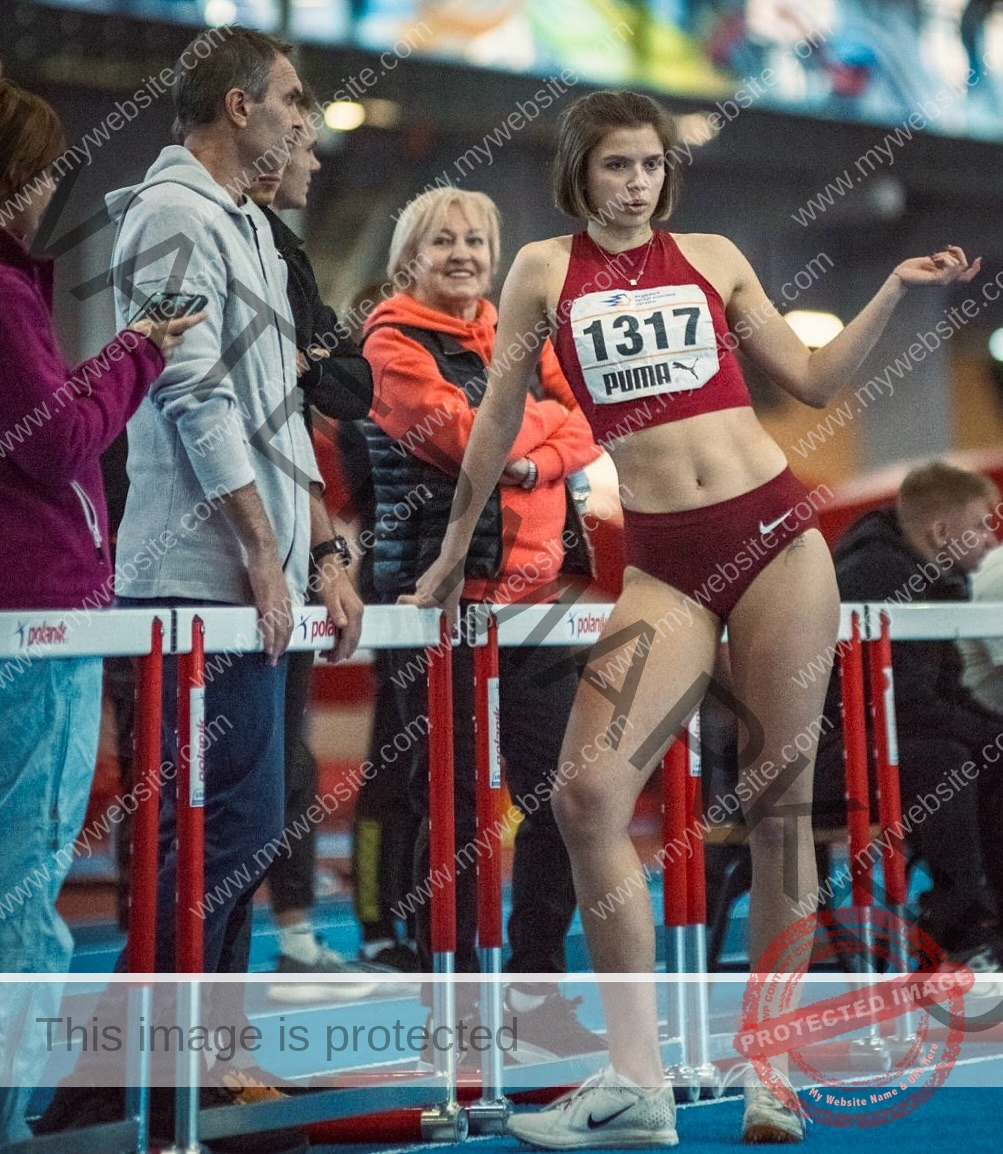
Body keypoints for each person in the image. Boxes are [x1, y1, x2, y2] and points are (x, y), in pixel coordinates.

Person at [404, 89, 980, 1147]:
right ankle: (636, 1083)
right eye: (618, 166)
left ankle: (771, 1073)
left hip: (773, 540)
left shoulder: (712, 256)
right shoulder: (542, 269)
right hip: (663, 564)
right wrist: (451, 550)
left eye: (652, 165)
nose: (637, 184)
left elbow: (811, 379)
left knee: (775, 807)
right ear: (579, 172)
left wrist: (894, 288)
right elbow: (492, 422)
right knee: (584, 795)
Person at [0, 79, 200, 1143]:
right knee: (22, 884)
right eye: (35, 173)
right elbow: (55, 440)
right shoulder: (1, 290)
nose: (43, 195)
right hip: (29, 620)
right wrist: (138, 353)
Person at [362, 186, 606, 1058]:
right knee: (459, 809)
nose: (463, 253)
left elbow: (591, 419)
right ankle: (456, 1003)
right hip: (442, 607)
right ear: (409, 259)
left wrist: (531, 460)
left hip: (541, 609)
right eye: (443, 241)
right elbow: (469, 440)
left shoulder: (514, 331)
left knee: (562, 801)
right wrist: (539, 443)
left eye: (477, 238)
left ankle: (536, 990)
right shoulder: (391, 341)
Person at [246, 100, 383, 998]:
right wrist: (268, 551)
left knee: (284, 769)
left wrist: (324, 558)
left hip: (289, 555)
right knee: (204, 798)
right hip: (207, 567)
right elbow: (230, 410)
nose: (319, 163)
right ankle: (144, 1075)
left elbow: (343, 388)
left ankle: (289, 935)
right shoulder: (196, 231)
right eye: (301, 135)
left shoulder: (285, 256)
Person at [815, 462, 1003, 973]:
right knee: (945, 761)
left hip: (876, 742)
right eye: (984, 524)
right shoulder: (875, 577)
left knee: (977, 751)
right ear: (941, 532)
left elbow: (941, 693)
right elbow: (896, 706)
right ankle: (958, 932)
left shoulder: (936, 579)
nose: (991, 542)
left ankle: (978, 924)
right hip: (816, 760)